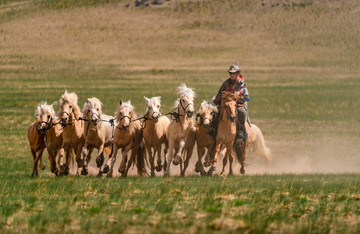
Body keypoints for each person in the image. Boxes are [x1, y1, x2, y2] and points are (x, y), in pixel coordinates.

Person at [209, 62, 250, 145]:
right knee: (216, 111)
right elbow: (220, 93)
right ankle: (214, 129)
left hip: (238, 104)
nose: (232, 75)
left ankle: (240, 132)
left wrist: (239, 93)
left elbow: (245, 93)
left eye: (234, 73)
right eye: (230, 73)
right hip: (226, 105)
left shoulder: (241, 83)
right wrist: (214, 102)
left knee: (241, 112)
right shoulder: (226, 83)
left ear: (237, 73)